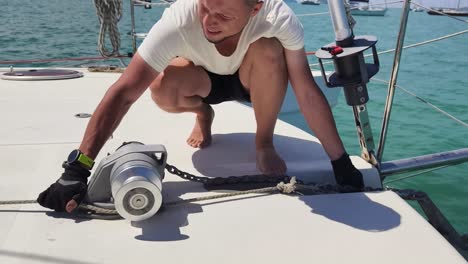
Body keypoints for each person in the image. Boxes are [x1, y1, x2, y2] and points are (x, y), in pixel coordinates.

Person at [37, 0, 364, 213]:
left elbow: (306, 91)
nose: (208, 21)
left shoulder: (278, 18)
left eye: (223, 15)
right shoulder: (181, 17)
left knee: (268, 50)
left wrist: (340, 163)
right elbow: (124, 91)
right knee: (159, 86)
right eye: (206, 8)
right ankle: (202, 113)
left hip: (252, 77)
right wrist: (78, 168)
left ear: (255, 8)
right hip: (202, 79)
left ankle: (263, 140)